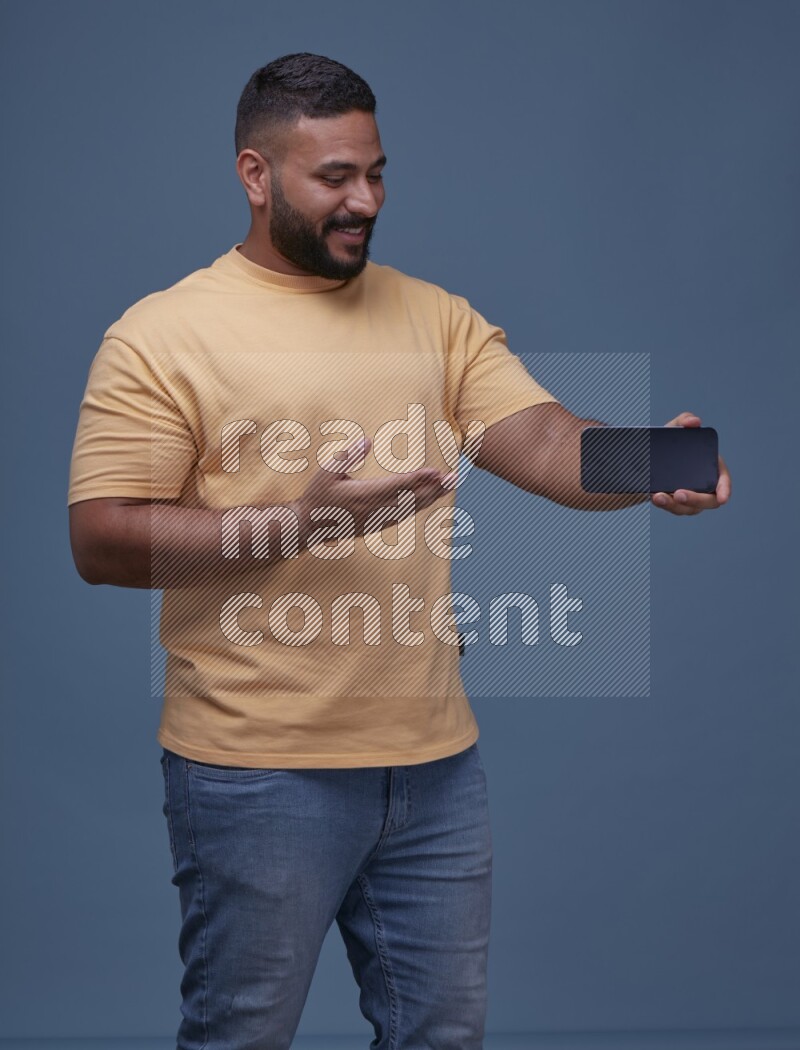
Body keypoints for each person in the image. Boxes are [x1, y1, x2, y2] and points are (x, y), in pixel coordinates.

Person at [68, 53, 730, 1050]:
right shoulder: (161, 336)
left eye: (375, 173)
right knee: (241, 1038)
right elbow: (102, 539)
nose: (364, 199)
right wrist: (299, 520)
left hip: (433, 772)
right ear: (255, 175)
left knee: (442, 1039)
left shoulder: (433, 316)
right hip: (256, 774)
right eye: (333, 176)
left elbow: (543, 440)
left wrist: (641, 464)